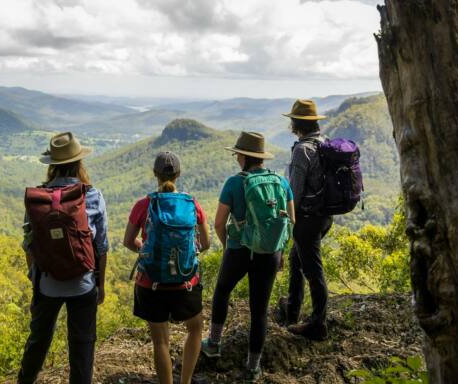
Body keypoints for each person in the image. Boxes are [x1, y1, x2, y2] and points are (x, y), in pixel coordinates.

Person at [201, 132, 295, 382]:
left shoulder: (234, 183)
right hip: (270, 252)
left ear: (243, 156)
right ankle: (253, 367)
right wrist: (280, 250)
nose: (236, 158)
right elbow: (290, 222)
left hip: (239, 249)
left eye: (237, 154)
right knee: (259, 310)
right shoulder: (281, 183)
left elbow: (219, 223)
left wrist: (227, 246)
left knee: (222, 291)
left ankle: (214, 343)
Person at [18, 132, 108, 384]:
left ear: (52, 165)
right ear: (79, 163)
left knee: (38, 342)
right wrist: (100, 286)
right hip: (83, 283)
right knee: (82, 347)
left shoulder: (37, 199)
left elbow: (29, 245)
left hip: (47, 283)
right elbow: (101, 246)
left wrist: (35, 281)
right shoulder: (92, 195)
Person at [123, 151, 210, 384]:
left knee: (161, 341)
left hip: (151, 283)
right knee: (194, 329)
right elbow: (207, 243)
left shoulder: (144, 205)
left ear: (155, 174)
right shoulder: (192, 204)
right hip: (186, 283)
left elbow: (129, 242)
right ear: (179, 174)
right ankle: (186, 381)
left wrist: (146, 246)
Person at [277, 99, 333, 341]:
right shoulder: (324, 143)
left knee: (312, 269)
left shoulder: (302, 149)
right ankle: (292, 309)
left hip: (308, 218)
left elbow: (295, 192)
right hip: (324, 216)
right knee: (296, 259)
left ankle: (317, 324)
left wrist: (288, 219)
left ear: (295, 124)